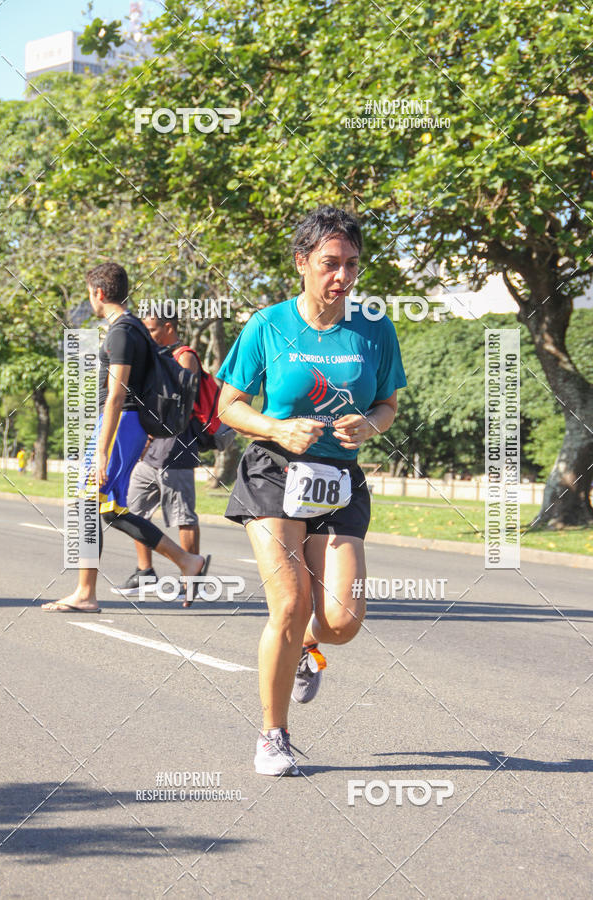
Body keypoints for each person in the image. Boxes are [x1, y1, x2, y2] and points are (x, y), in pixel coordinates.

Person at [217, 206, 406, 775]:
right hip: (274, 471)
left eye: (351, 264)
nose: (342, 277)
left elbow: (389, 404)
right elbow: (228, 405)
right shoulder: (268, 325)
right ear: (302, 262)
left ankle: (305, 649)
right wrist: (277, 427)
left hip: (340, 477)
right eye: (329, 264)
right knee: (291, 603)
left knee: (343, 620)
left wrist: (369, 425)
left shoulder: (374, 327)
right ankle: (273, 735)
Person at [42, 262, 209, 613]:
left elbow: (117, 393)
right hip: (125, 425)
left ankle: (86, 594)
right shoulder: (134, 329)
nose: (91, 301)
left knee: (87, 504)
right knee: (109, 511)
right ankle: (185, 561)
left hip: (119, 423)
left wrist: (101, 451)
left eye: (90, 295)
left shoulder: (121, 332)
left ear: (99, 293)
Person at [112, 312, 204, 607]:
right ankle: (145, 572)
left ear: (168, 327)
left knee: (182, 516)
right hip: (150, 450)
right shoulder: (156, 355)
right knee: (129, 509)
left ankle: (191, 580)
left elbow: (178, 405)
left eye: (152, 330)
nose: (148, 336)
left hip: (176, 449)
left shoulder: (185, 355)